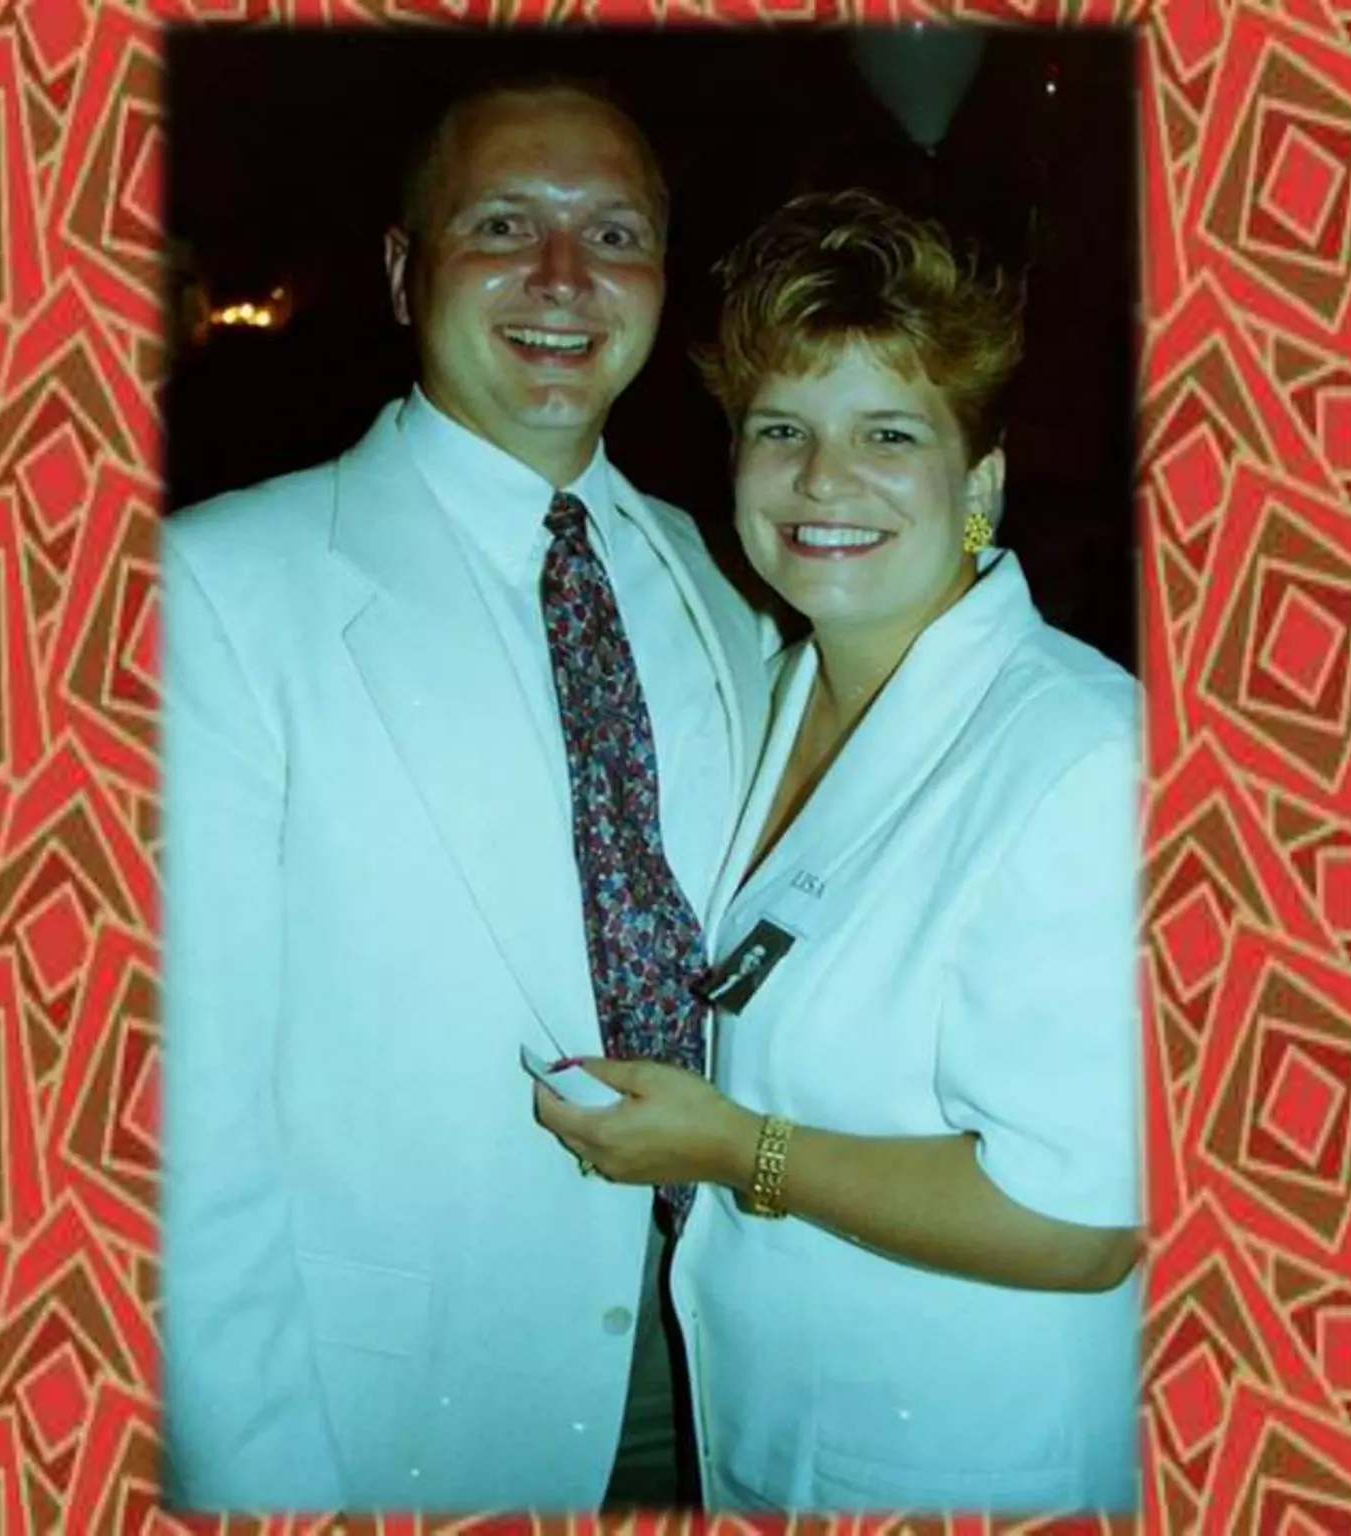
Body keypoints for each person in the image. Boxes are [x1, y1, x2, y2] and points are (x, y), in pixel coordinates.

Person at [160, 77, 776, 1509]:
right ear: (402, 271)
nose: (563, 277)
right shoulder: (217, 592)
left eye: (613, 235)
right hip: (407, 1402)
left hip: (735, 1364)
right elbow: (180, 1124)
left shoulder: (722, 578)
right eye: (503, 225)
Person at [536, 189, 1143, 1512]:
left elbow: (1087, 1224)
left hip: (970, 1452)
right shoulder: (781, 684)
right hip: (779, 1430)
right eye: (782, 431)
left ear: (979, 483)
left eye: (888, 434)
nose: (823, 481)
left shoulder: (1082, 757)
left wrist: (738, 1151)